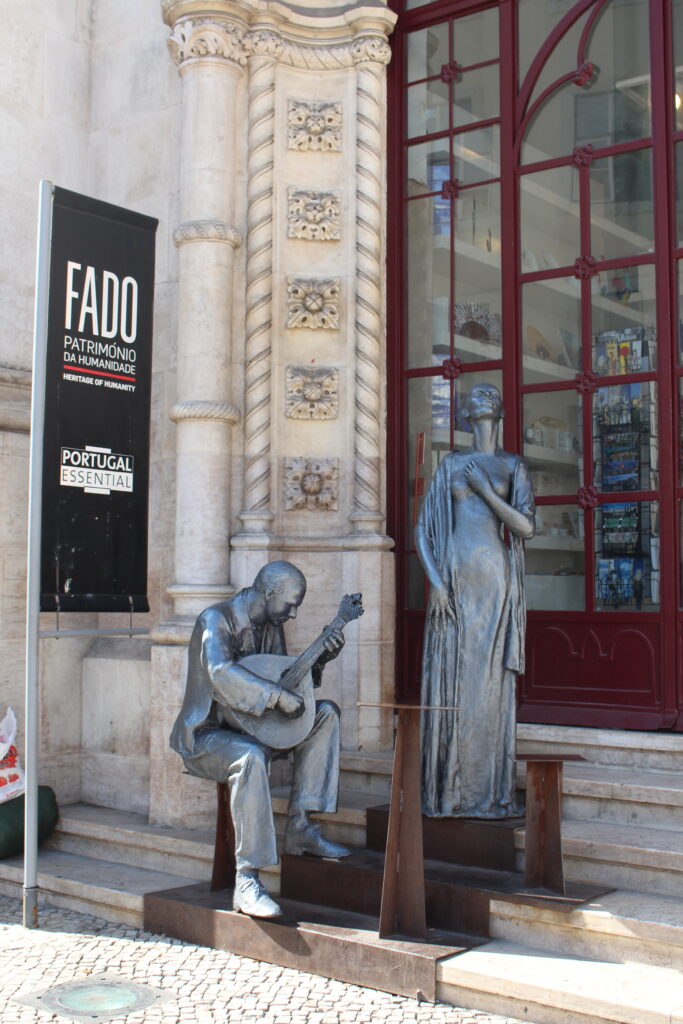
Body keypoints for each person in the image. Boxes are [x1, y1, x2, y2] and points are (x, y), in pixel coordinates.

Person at [170, 561, 349, 919]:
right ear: (269, 593)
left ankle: (300, 825)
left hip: (256, 728)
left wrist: (319, 661)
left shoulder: (271, 625)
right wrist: (277, 697)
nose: (293, 614)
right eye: (291, 605)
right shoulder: (215, 620)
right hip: (207, 735)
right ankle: (247, 879)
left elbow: (283, 678)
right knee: (249, 756)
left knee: (326, 714)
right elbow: (221, 673)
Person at [416, 383, 535, 818]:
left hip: (494, 579)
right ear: (465, 413)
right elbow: (423, 529)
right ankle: (452, 790)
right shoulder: (451, 464)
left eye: (490, 394)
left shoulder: (512, 465)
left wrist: (485, 491)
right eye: (476, 395)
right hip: (453, 579)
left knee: (488, 679)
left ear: (500, 411)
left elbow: (525, 527)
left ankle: (486, 790)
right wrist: (435, 582)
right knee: (454, 674)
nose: (484, 397)